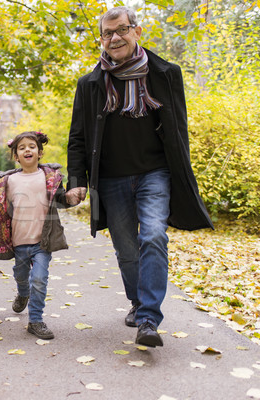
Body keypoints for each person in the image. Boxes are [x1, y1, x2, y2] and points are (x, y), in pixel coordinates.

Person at [65, 6, 214, 347]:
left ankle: (148, 318)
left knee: (153, 236)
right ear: (101, 39)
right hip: (111, 178)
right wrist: (76, 181)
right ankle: (137, 302)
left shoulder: (165, 74)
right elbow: (78, 136)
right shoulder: (89, 84)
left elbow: (178, 128)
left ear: (136, 31)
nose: (114, 38)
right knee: (127, 249)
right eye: (107, 33)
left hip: (155, 174)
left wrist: (182, 173)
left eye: (120, 30)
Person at [0, 131, 68, 340]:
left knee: (39, 279)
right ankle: (23, 293)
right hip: (18, 242)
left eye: (32, 146)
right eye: (22, 147)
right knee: (21, 275)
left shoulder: (50, 178)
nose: (27, 149)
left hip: (42, 242)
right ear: (16, 156)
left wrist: (71, 197)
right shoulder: (9, 181)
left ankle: (35, 321)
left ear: (40, 152)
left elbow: (61, 199)